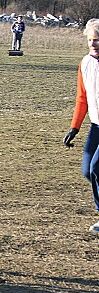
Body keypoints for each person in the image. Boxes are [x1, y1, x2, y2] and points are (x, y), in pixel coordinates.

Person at [63, 18, 99, 232]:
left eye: (98, 40)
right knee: (88, 171)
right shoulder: (85, 63)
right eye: (90, 40)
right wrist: (74, 127)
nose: (93, 44)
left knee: (97, 168)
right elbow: (82, 99)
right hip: (96, 126)